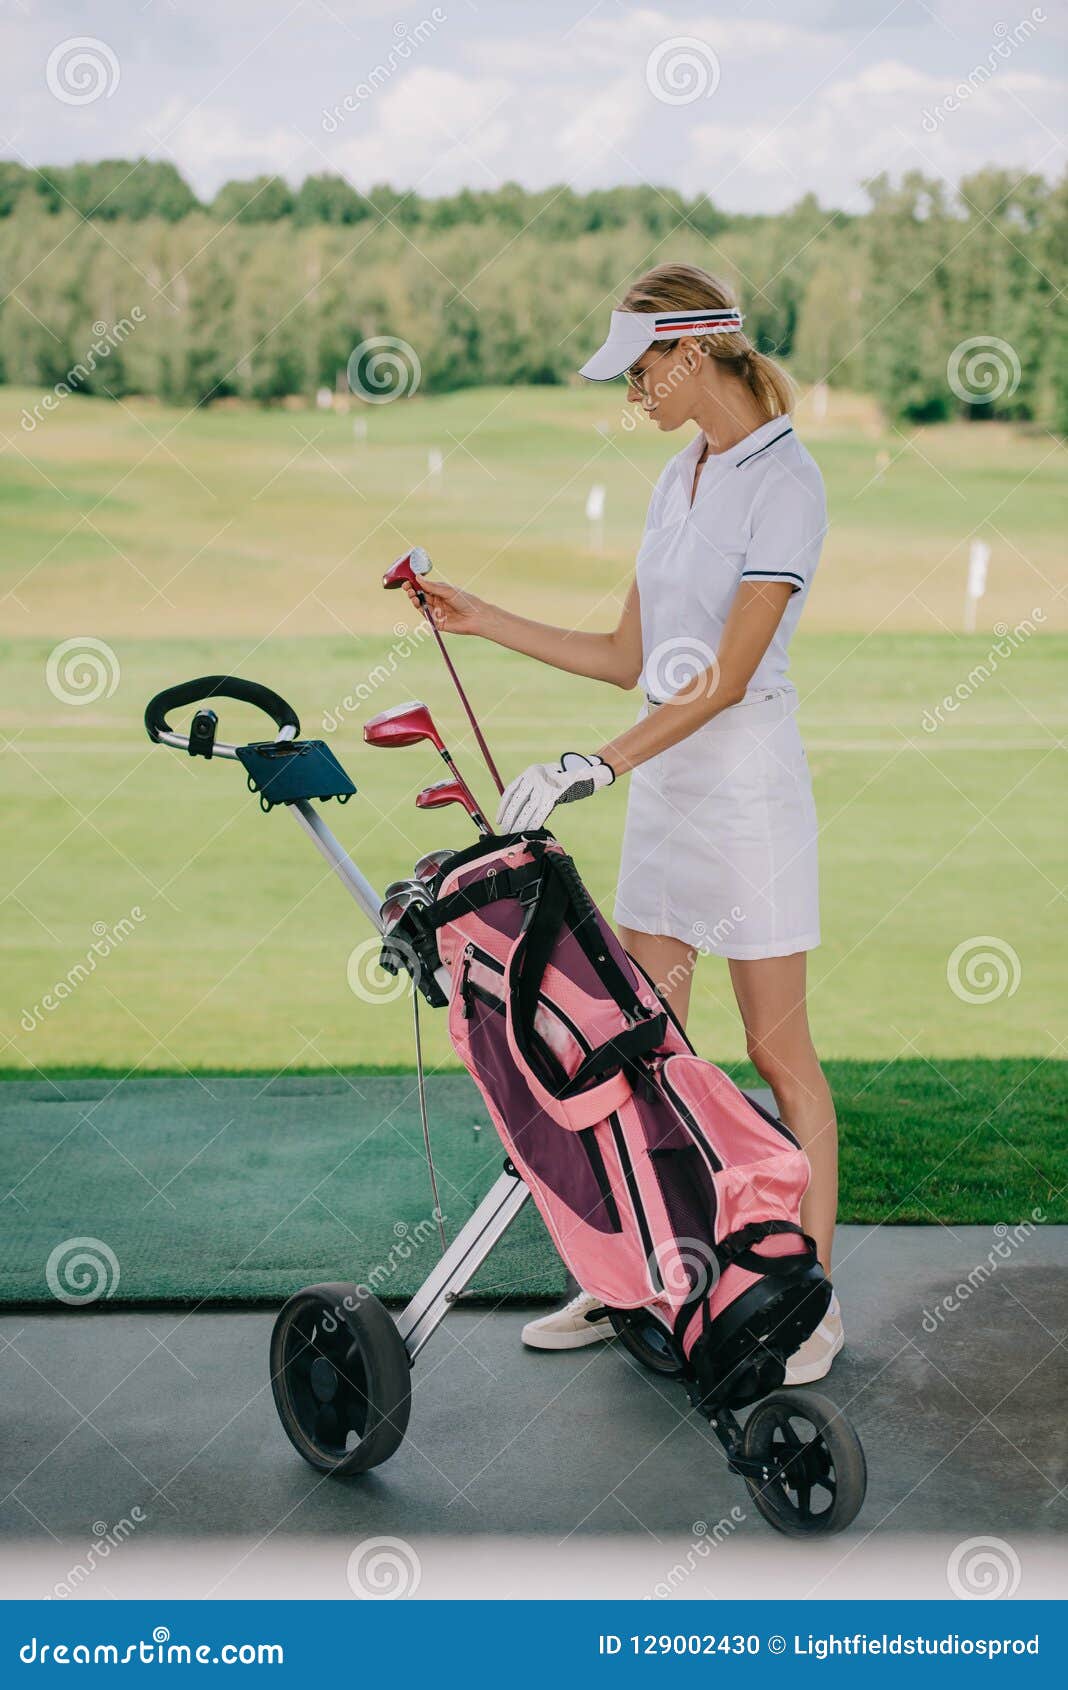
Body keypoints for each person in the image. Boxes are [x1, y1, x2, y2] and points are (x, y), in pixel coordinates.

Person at [403, 263, 841, 1384]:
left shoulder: (785, 482)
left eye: (641, 368)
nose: (632, 391)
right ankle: (643, 1281)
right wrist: (481, 616)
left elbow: (729, 677)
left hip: (745, 794)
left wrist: (597, 763)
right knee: (646, 1046)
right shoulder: (675, 480)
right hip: (664, 793)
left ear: (694, 353)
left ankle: (802, 1300)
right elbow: (631, 661)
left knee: (775, 1052)